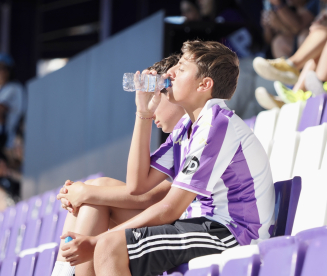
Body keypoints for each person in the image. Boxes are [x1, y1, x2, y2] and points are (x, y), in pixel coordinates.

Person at [60, 40, 275, 276]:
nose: (171, 73)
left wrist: (97, 240)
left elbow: (170, 208)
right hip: (202, 226)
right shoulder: (186, 127)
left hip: (232, 234)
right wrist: (143, 113)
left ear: (204, 85)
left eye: (181, 69)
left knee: (108, 246)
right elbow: (137, 185)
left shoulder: (216, 123)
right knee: (100, 213)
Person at [51, 54, 184, 276]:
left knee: (94, 198)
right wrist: (85, 192)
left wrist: (85, 192)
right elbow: (141, 188)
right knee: (96, 191)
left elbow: (153, 196)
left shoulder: (201, 129)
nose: (152, 112)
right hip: (171, 224)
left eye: (155, 96)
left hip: (187, 230)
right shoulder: (176, 139)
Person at [254, 1, 327, 85]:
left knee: (306, 36)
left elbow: (297, 28)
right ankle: (296, 91)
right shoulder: (318, 3)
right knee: (278, 42)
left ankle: (292, 68)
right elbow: (268, 40)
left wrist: (279, 5)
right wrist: (267, 27)